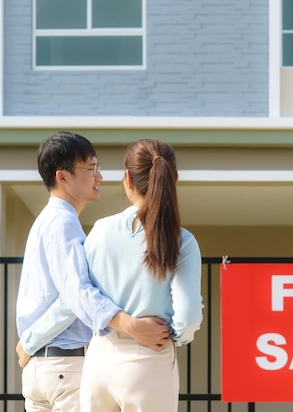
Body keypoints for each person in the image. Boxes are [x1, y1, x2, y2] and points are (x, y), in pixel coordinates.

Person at [15, 131, 170, 412]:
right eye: (91, 169)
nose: (99, 176)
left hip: (41, 369)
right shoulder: (63, 222)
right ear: (63, 177)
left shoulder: (45, 221)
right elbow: (76, 293)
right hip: (66, 366)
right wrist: (131, 326)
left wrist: (31, 340)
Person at [80, 138, 204, 412]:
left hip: (99, 357)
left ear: (128, 179)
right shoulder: (182, 241)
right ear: (174, 180)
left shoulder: (99, 231)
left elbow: (79, 294)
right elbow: (189, 313)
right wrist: (174, 335)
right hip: (149, 360)